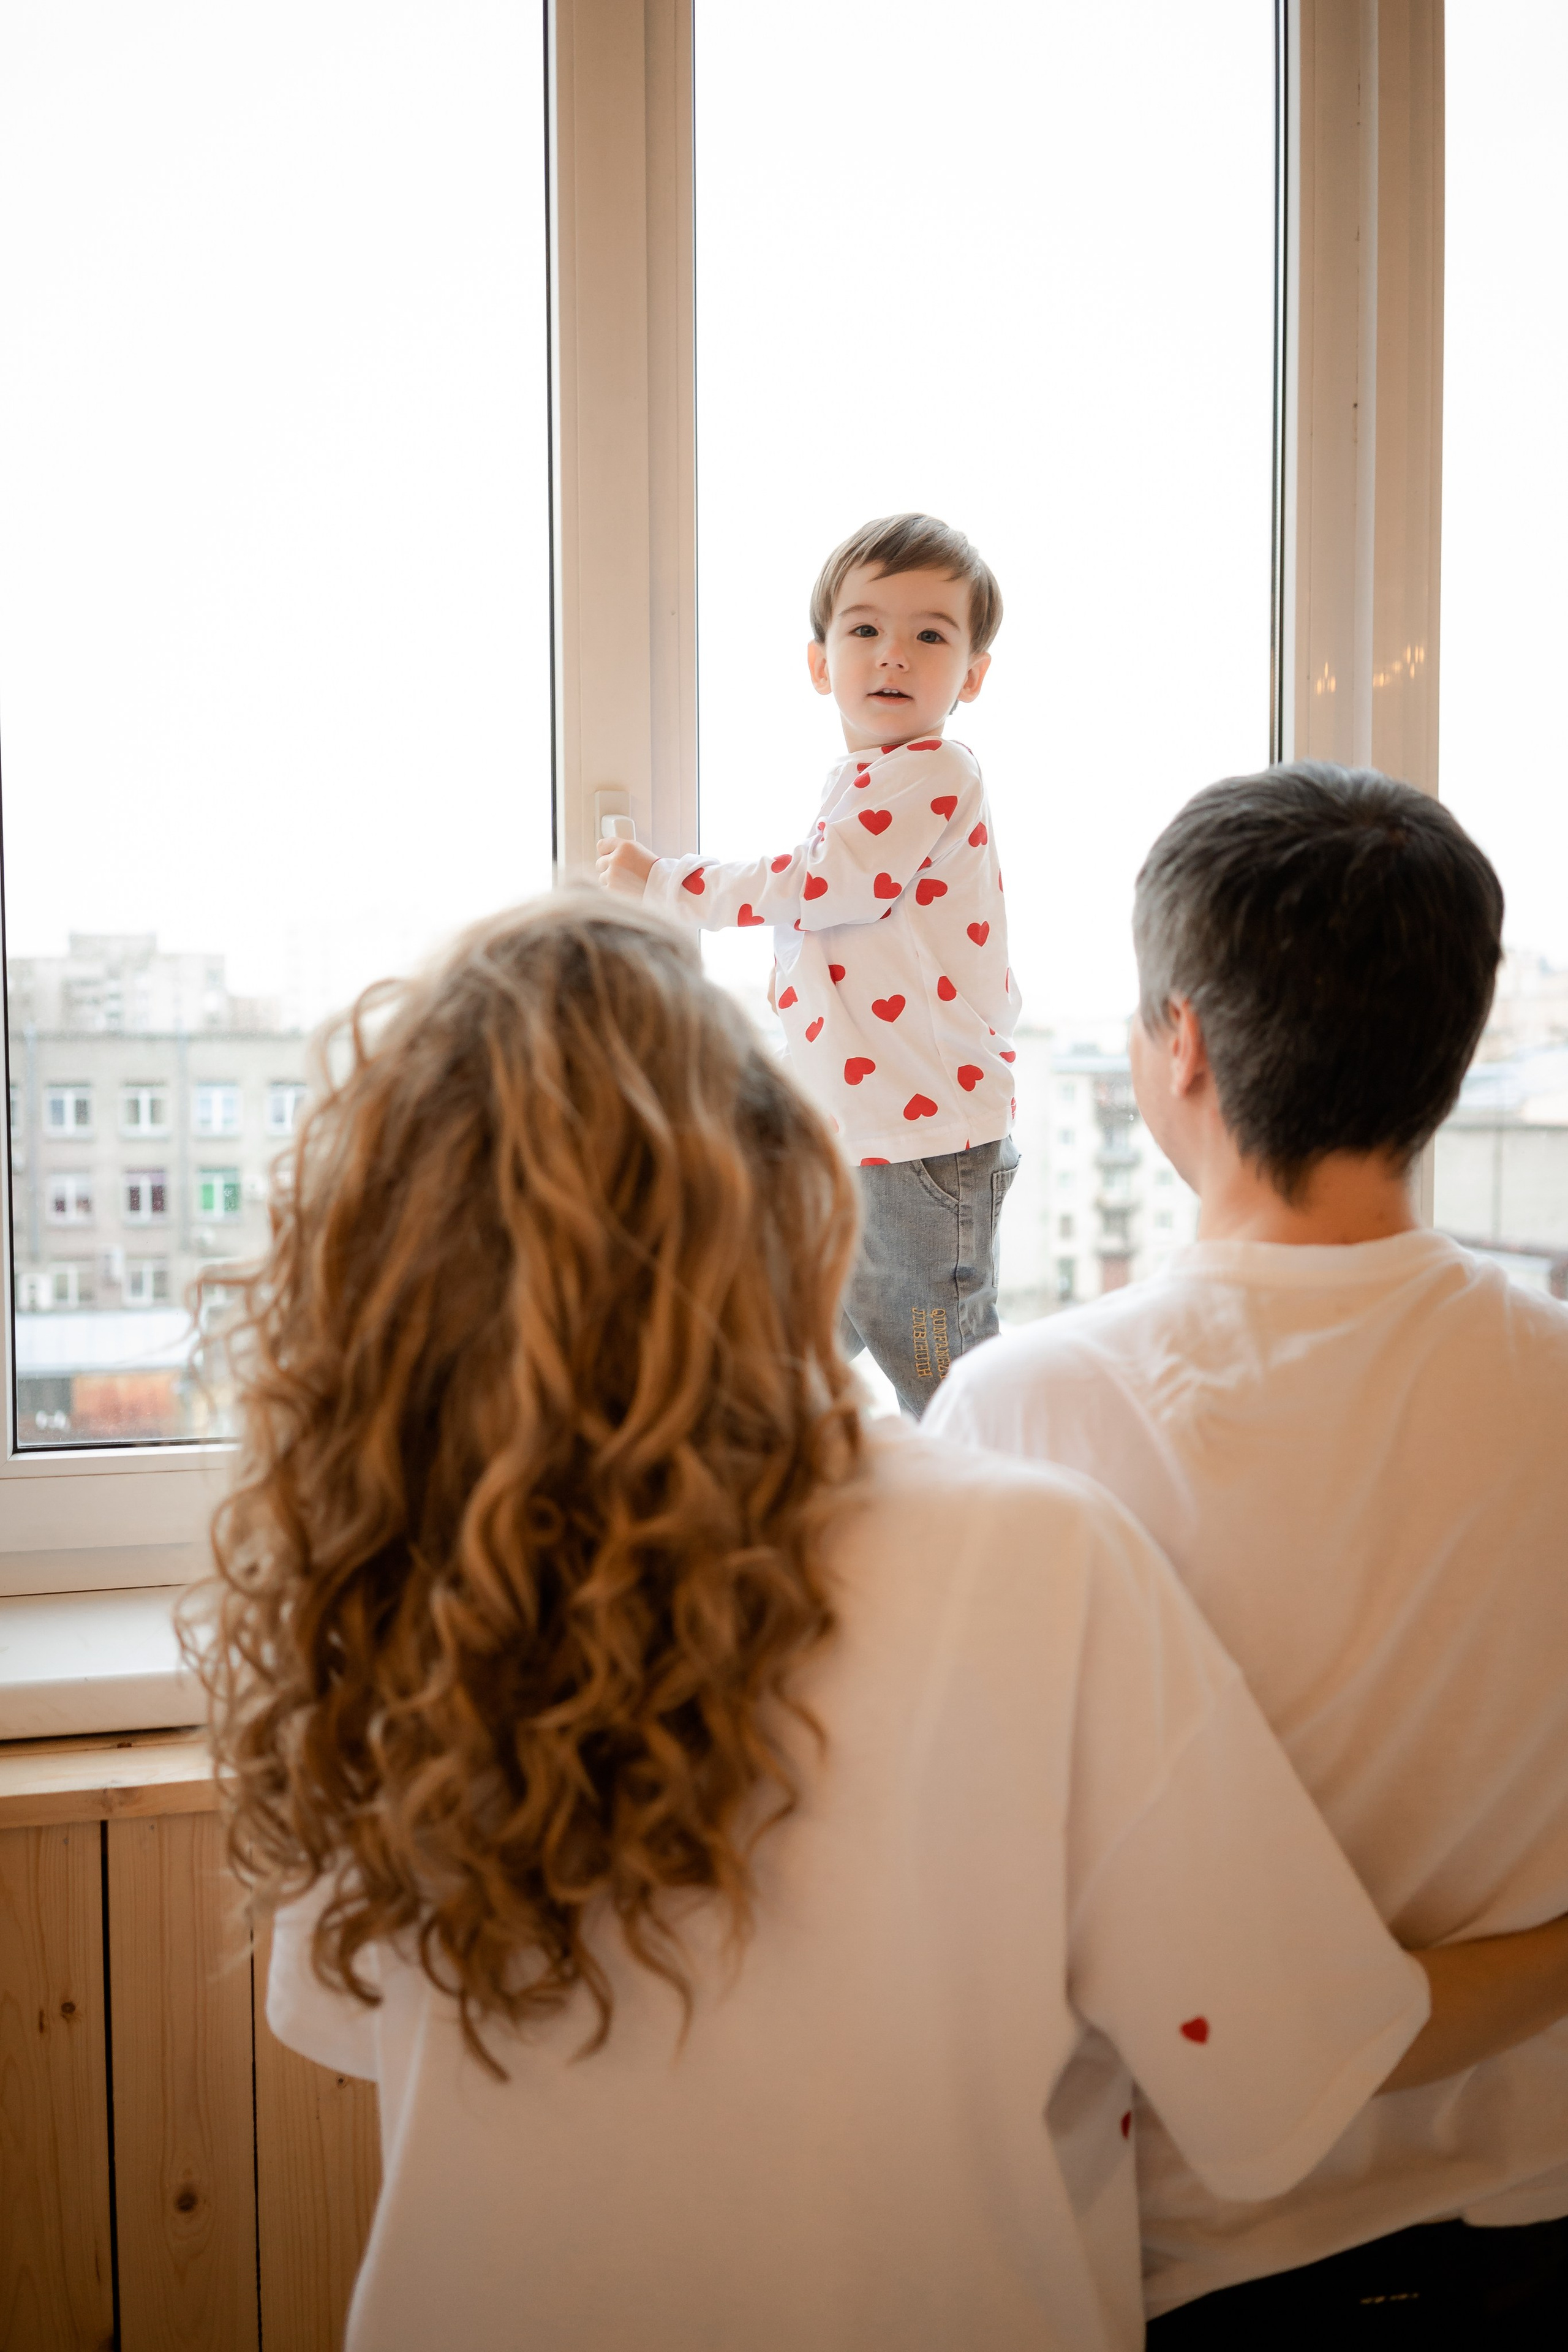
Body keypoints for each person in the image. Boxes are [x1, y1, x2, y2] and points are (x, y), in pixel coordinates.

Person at [196, 894, 1568, 2352]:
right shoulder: (1019, 1555)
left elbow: (335, 2024)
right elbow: (1285, 2061)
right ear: (791, 1192)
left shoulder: (374, 1590)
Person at [927, 763, 1568, 2342]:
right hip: (1535, 2206)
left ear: (1181, 1046)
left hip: (1200, 2252)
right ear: (1452, 1045)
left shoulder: (1024, 1408)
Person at [597, 511, 1019, 1416]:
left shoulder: (936, 769)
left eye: (930, 635)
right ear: (821, 663)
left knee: (950, 1394)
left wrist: (667, 882)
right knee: (769, 1354)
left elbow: (825, 887)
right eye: (865, 629)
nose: (893, 655)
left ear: (972, 674)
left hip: (922, 1150)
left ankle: (985, 1537)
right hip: (861, 1139)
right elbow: (839, 975)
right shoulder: (864, 779)